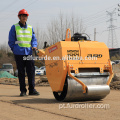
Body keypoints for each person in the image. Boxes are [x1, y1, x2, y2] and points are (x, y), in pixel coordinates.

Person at [8, 9, 39, 96]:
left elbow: (34, 39)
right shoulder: (14, 27)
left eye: (25, 16)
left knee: (31, 71)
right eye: (22, 16)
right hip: (19, 53)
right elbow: (11, 41)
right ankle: (23, 91)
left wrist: (34, 45)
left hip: (29, 53)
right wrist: (14, 50)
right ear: (19, 17)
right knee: (21, 72)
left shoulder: (30, 27)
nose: (24, 17)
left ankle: (32, 90)